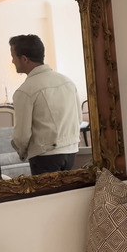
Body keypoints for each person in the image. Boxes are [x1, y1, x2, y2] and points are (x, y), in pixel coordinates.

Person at [9, 34, 81, 175]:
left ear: (24, 59)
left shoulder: (25, 91)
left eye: (13, 56)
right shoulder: (68, 82)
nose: (12, 61)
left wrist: (22, 153)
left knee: (48, 198)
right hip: (71, 152)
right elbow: (78, 118)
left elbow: (22, 135)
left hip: (45, 156)